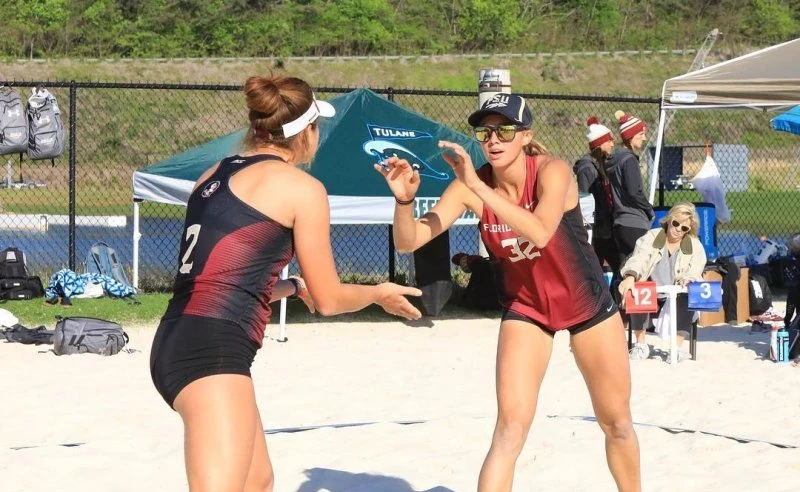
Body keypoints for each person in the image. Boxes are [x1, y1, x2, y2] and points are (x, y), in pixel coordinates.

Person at [150, 74, 422, 492]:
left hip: (176, 338)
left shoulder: (211, 175)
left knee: (259, 481)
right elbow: (330, 300)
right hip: (212, 352)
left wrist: (292, 288)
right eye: (319, 128)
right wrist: (378, 293)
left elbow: (215, 282)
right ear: (306, 134)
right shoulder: (302, 189)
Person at [376, 93, 641, 492]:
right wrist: (404, 201)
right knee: (509, 430)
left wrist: (476, 189)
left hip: (585, 303)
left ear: (526, 136)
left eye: (505, 130)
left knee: (616, 422)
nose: (494, 140)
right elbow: (408, 241)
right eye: (485, 132)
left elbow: (537, 230)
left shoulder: (551, 172)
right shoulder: (472, 185)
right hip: (528, 307)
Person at [618, 202, 707, 361]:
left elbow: (696, 269)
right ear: (669, 220)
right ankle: (641, 345)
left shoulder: (694, 244)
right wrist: (631, 276)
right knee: (639, 288)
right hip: (653, 289)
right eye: (676, 223)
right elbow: (640, 258)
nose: (678, 229)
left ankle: (677, 348)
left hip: (676, 291)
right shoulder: (653, 236)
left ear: (689, 230)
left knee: (688, 294)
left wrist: (689, 279)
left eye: (684, 228)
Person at [605, 110, 654, 268]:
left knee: (623, 270)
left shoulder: (615, 160)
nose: (644, 138)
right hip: (635, 223)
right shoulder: (629, 160)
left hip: (620, 223)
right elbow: (634, 191)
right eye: (641, 134)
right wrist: (648, 209)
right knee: (641, 268)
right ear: (631, 135)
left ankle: (614, 294)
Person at [574, 116, 619, 274]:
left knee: (618, 266)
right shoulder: (587, 168)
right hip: (596, 229)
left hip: (606, 227)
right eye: (609, 141)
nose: (612, 144)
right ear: (600, 144)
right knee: (596, 269)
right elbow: (584, 198)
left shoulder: (602, 165)